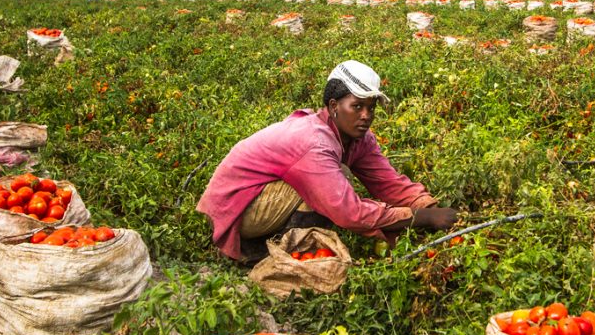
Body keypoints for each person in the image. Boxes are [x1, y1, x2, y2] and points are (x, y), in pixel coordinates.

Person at [197, 60, 459, 262]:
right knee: (335, 181)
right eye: (357, 106)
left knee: (333, 180)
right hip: (236, 210)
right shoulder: (314, 141)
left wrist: (430, 207)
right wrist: (421, 218)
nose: (366, 116)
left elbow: (388, 183)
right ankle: (272, 251)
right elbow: (349, 212)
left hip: (260, 200)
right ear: (334, 106)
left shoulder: (359, 138)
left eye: (371, 108)